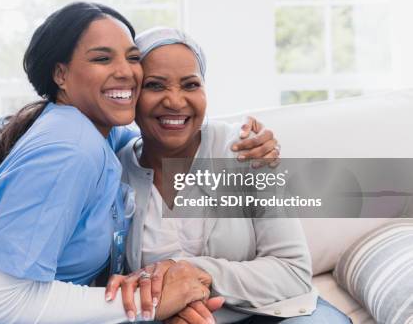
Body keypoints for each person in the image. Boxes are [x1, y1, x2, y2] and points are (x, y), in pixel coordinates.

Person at [0, 3, 277, 324]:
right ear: (61, 74)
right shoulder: (70, 147)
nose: (125, 72)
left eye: (132, 58)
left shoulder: (100, 133)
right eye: (102, 59)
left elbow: (163, 129)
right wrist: (151, 304)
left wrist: (239, 138)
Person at [108, 27, 352, 324]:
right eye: (155, 86)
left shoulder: (246, 151)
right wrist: (166, 310)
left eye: (190, 84)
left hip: (274, 312)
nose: (175, 100)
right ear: (132, 94)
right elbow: (111, 284)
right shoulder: (115, 173)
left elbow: (292, 271)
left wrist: (195, 273)